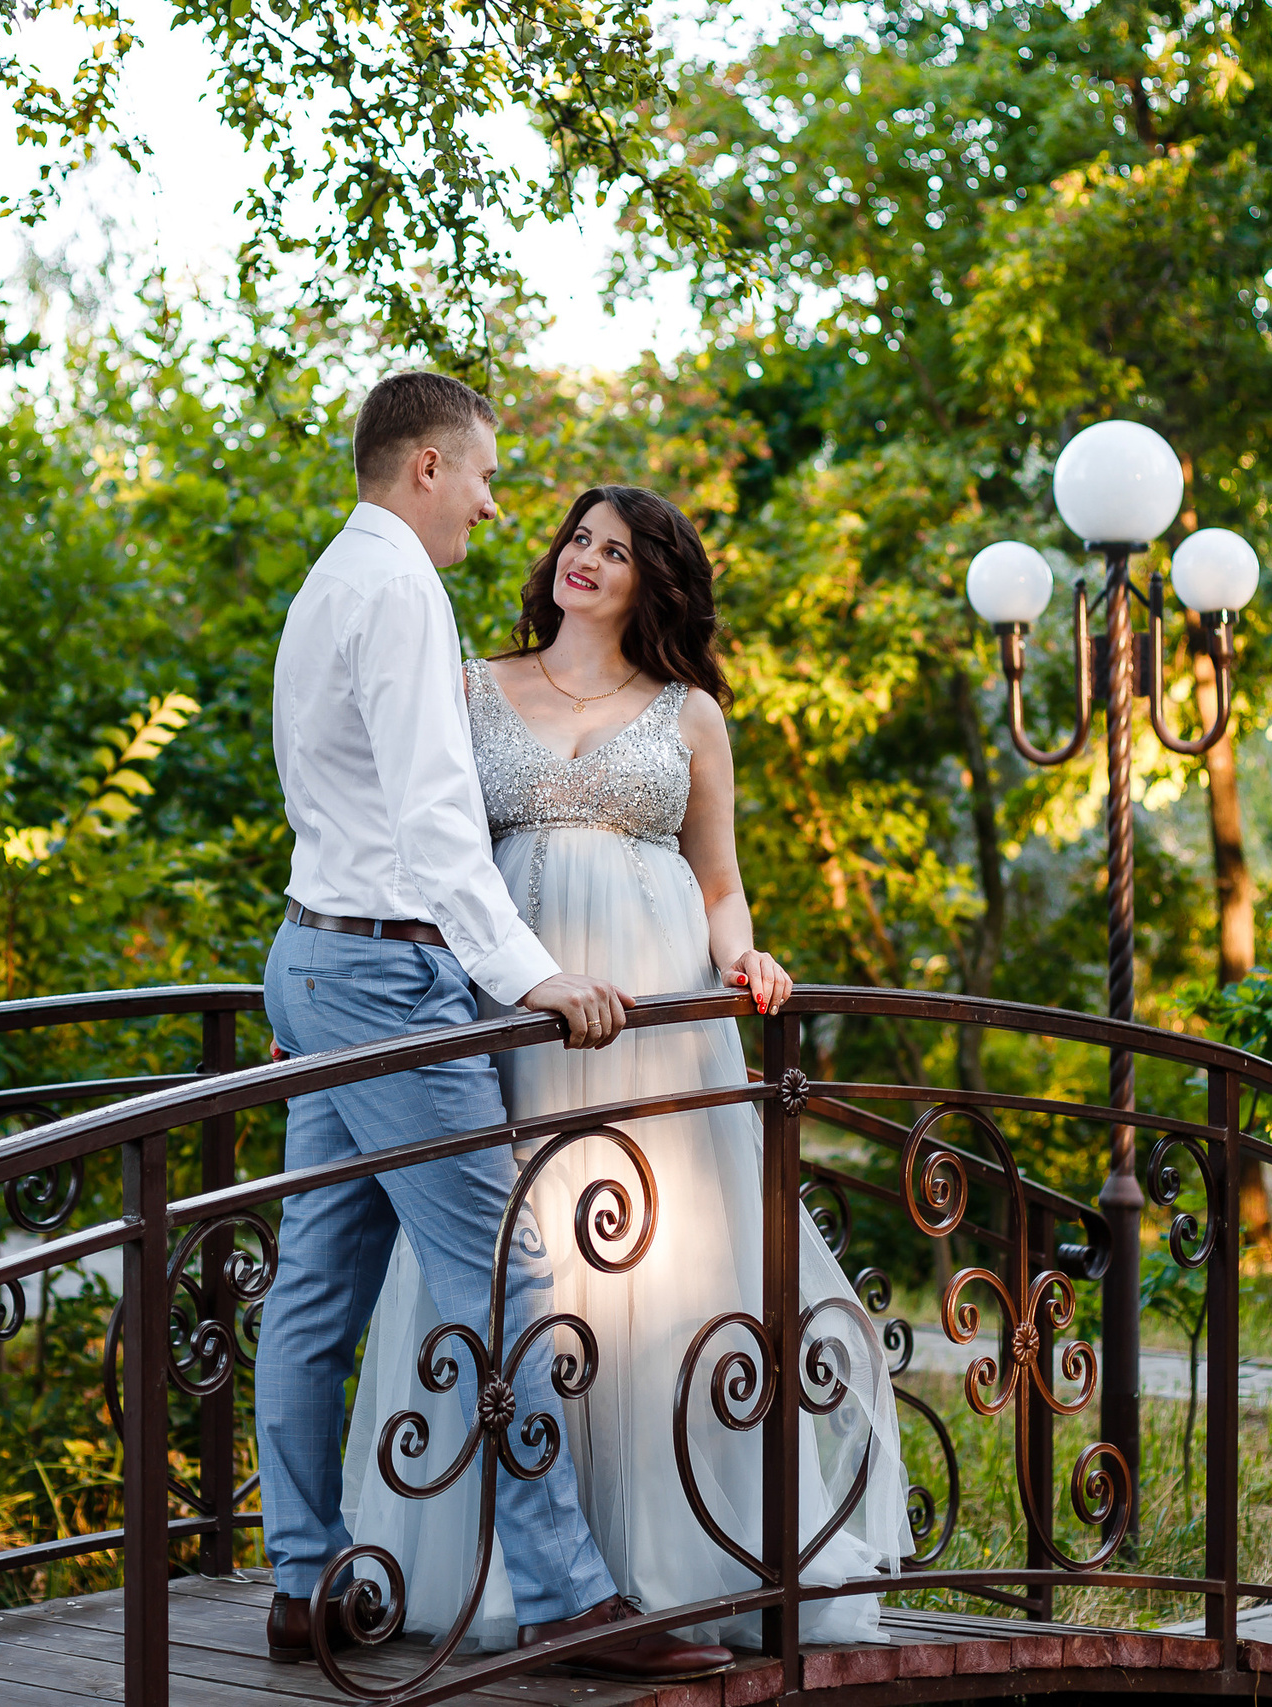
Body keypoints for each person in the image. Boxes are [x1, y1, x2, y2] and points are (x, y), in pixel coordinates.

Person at [340, 485, 910, 1651]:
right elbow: (417, 854)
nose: (584, 559)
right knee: (514, 1259)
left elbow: (719, 880)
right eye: (577, 539)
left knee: (662, 1267)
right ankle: (519, 1569)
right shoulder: (471, 688)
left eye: (614, 549)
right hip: (514, 1011)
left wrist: (745, 956)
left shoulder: (690, 713)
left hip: (655, 1029)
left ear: (654, 579)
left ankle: (671, 1555)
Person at [255, 374, 736, 1685]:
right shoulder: (405, 590)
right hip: (390, 974)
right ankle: (569, 1596)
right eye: (481, 475)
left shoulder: (330, 581)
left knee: (316, 1289)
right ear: (426, 467)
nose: (490, 504)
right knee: (508, 1280)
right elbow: (432, 823)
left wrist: (318, 984)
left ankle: (301, 1580)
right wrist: (534, 975)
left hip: (317, 951)